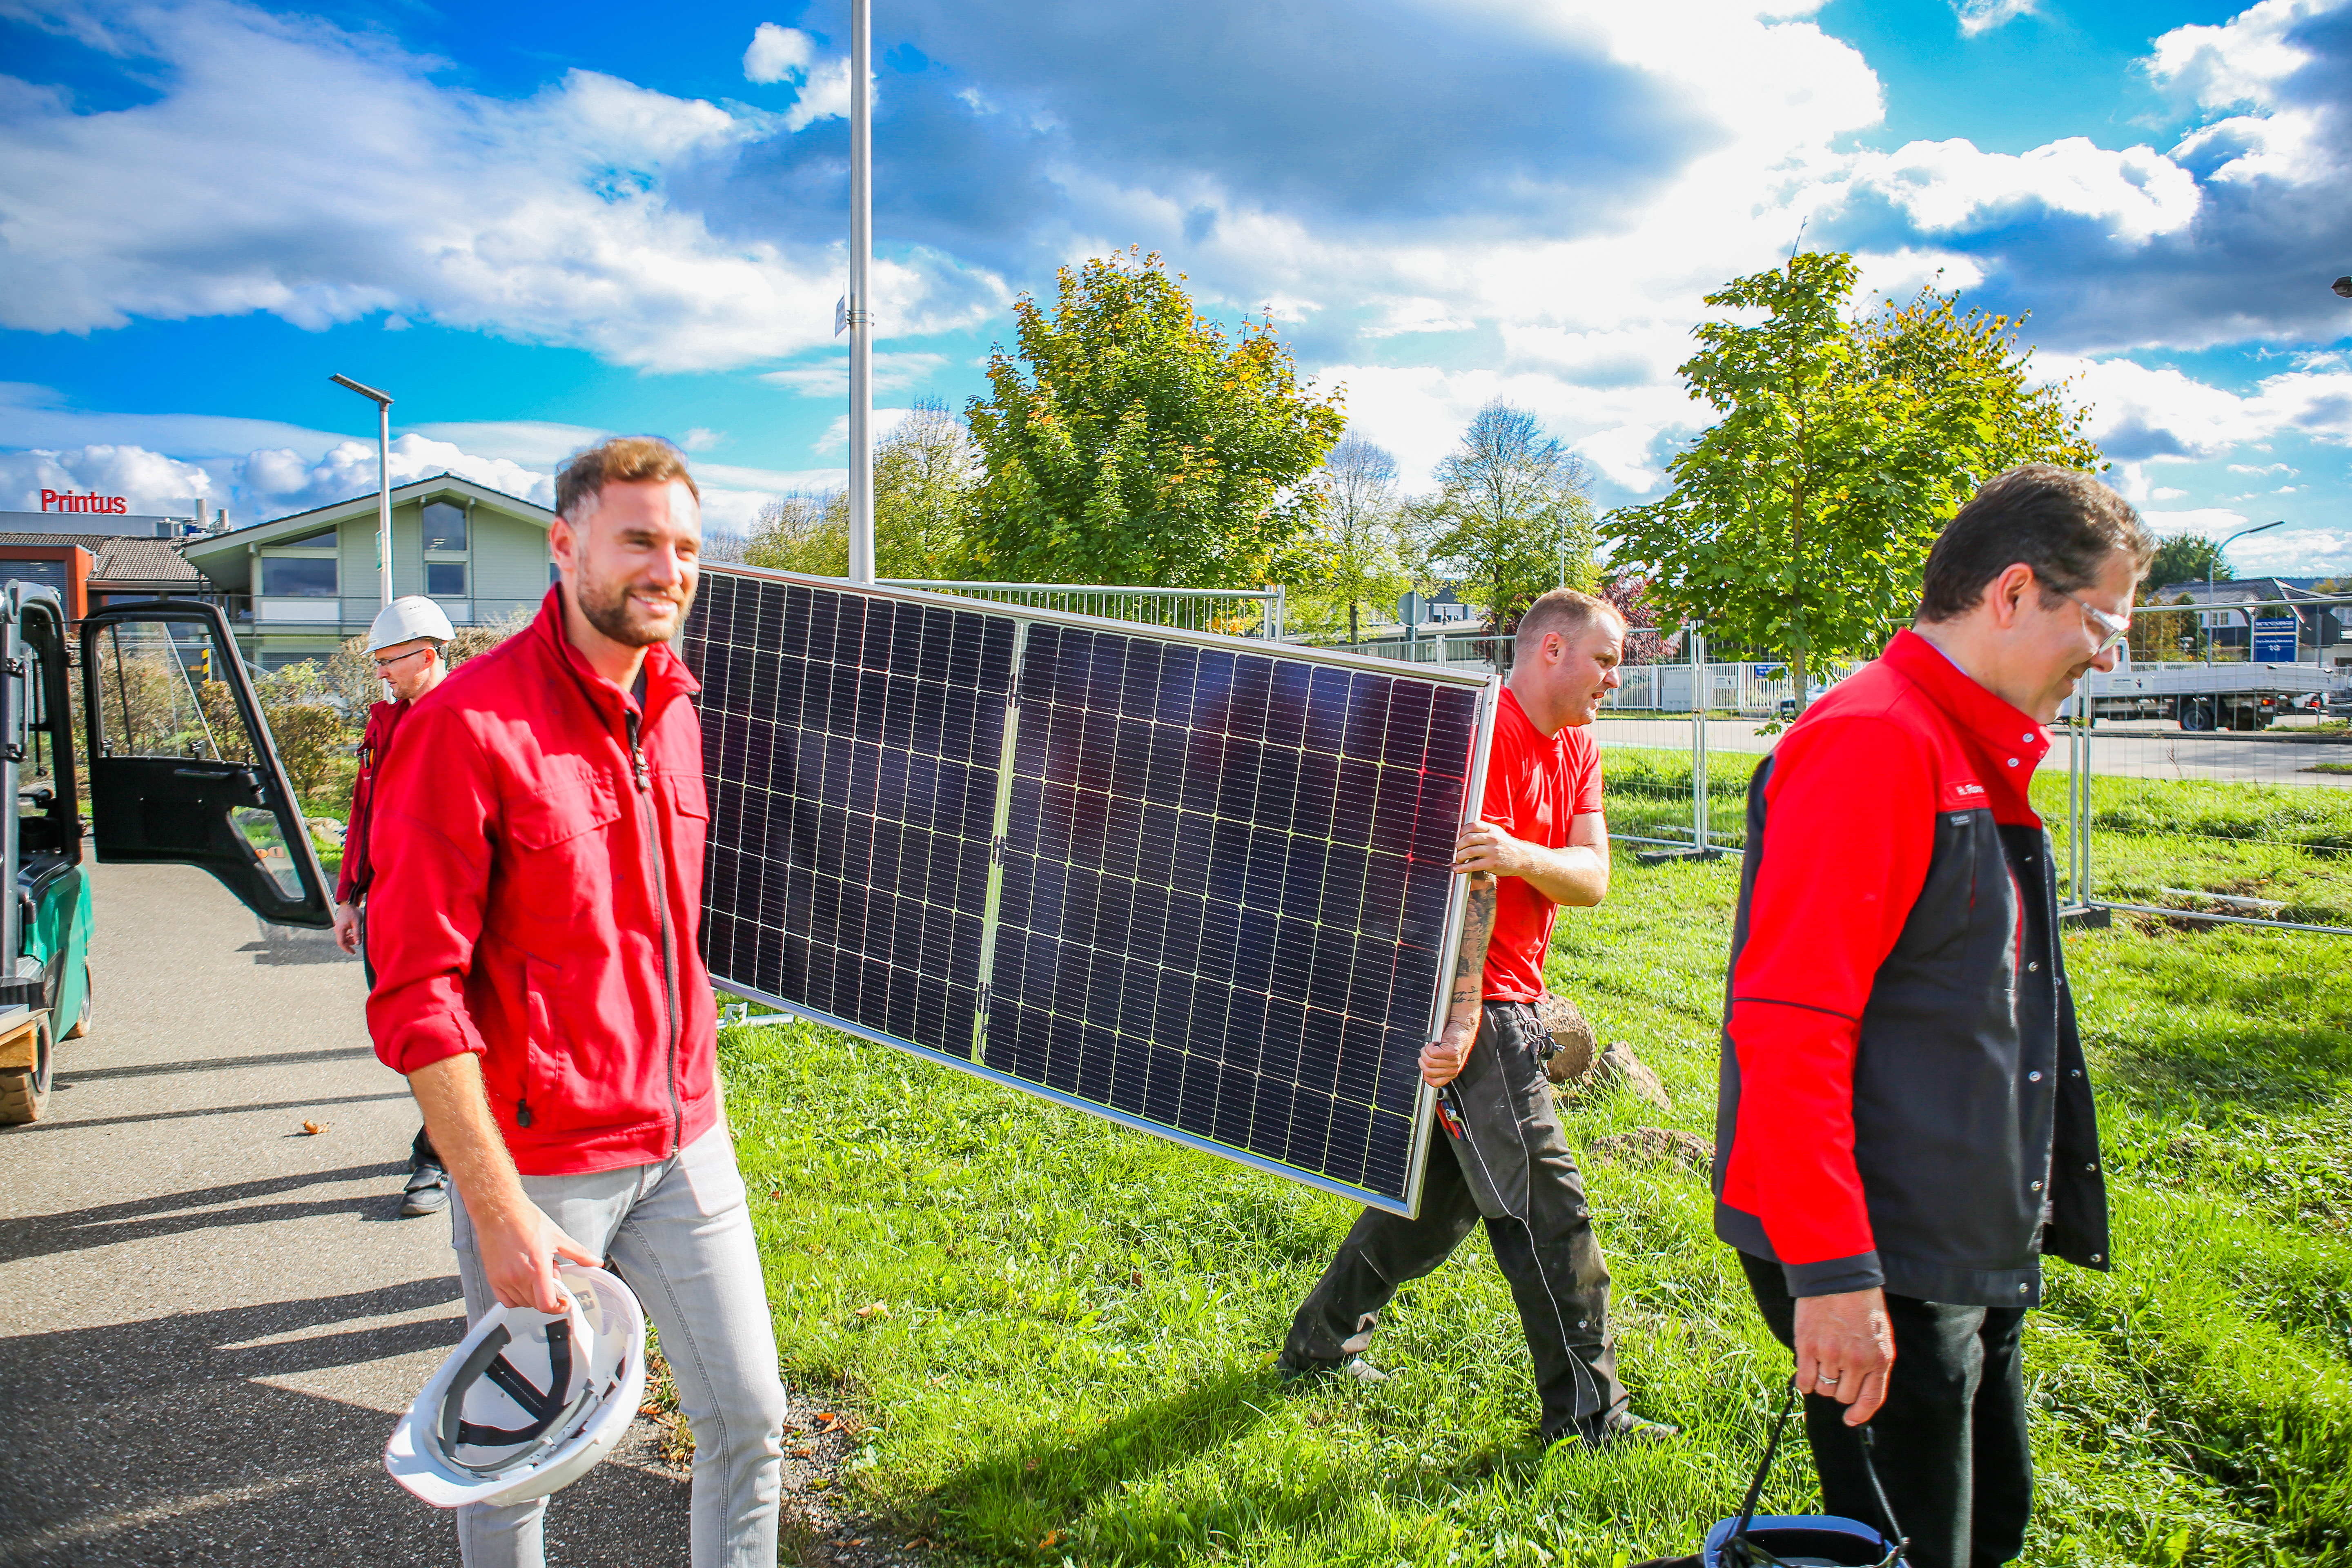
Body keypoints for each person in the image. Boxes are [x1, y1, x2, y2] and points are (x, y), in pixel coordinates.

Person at [1713, 465, 2151, 1567]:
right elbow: (1790, 1026)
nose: (2108, 656)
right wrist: (1834, 1279)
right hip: (1879, 1250)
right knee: (1914, 1544)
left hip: (1952, 1237)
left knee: (1986, 1526)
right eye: (2102, 622)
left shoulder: (1962, 744)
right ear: (2011, 595)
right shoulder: (1876, 741)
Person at [366, 437, 788, 1568]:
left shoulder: (681, 708)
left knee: (751, 1423)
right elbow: (417, 995)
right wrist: (496, 1207)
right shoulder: (464, 727)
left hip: (688, 1140)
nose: (670, 568)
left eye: (688, 546)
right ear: (566, 544)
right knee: (519, 1468)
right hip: (545, 1167)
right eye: (641, 539)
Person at [1278, 588, 1675, 1450]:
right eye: (1605, 660)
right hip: (1469, 997)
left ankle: (1318, 1341)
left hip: (1518, 993)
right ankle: (1590, 1417)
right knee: (1546, 1206)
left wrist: (1529, 853)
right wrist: (1459, 1016)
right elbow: (1458, 884)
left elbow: (1594, 876)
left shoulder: (1577, 747)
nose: (1616, 677)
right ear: (1552, 652)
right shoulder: (1479, 729)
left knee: (1435, 1204)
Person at [334, 595, 457, 1219]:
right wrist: (348, 897)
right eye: (378, 661)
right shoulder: (381, 725)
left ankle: (437, 1159)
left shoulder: (468, 719)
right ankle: (449, 1139)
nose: (380, 672)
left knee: (446, 1038)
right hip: (387, 910)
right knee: (408, 1039)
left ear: (427, 655)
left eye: (388, 660)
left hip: (449, 918)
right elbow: (364, 814)